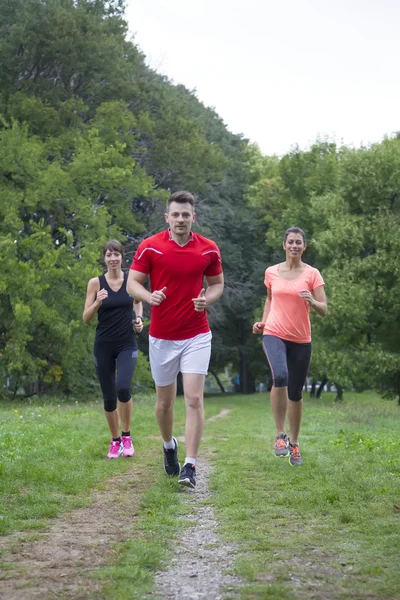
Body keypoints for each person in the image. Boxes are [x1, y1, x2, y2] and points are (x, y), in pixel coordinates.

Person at [127, 191, 224, 488]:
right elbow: (133, 283)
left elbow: (217, 284)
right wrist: (149, 296)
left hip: (196, 333)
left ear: (193, 217)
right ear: (166, 217)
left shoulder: (208, 249)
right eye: (176, 214)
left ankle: (191, 466)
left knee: (194, 398)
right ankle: (169, 446)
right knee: (164, 404)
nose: (181, 219)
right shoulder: (150, 247)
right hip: (162, 337)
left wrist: (206, 300)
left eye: (186, 214)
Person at [252, 227, 327, 466]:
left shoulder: (312, 274)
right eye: (290, 242)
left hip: (301, 339)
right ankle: (280, 435)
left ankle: (294, 444)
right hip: (274, 333)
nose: (294, 246)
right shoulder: (272, 272)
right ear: (284, 245)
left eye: (299, 242)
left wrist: (312, 301)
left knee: (296, 392)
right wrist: (264, 323)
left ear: (304, 246)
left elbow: (324, 309)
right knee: (280, 376)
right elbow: (270, 298)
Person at [83, 240, 144, 459]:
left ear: (122, 257)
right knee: (109, 397)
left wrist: (139, 319)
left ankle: (127, 436)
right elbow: (86, 318)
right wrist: (97, 303)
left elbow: (138, 302)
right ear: (104, 258)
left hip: (127, 343)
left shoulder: (131, 280)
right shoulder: (95, 283)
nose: (112, 259)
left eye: (116, 254)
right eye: (109, 255)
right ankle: (115, 440)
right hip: (103, 345)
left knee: (123, 388)